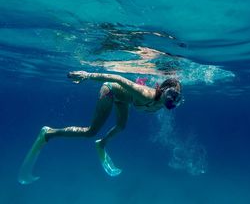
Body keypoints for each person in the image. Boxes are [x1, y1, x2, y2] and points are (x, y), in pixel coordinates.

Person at [18, 71, 183, 184]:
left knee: (121, 126)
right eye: (171, 94)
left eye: (177, 97)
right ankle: (48, 133)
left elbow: (146, 100)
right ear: (162, 90)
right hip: (110, 90)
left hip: (123, 99)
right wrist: (87, 75)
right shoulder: (146, 94)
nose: (173, 100)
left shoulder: (162, 103)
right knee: (91, 131)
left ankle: (101, 144)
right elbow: (117, 79)